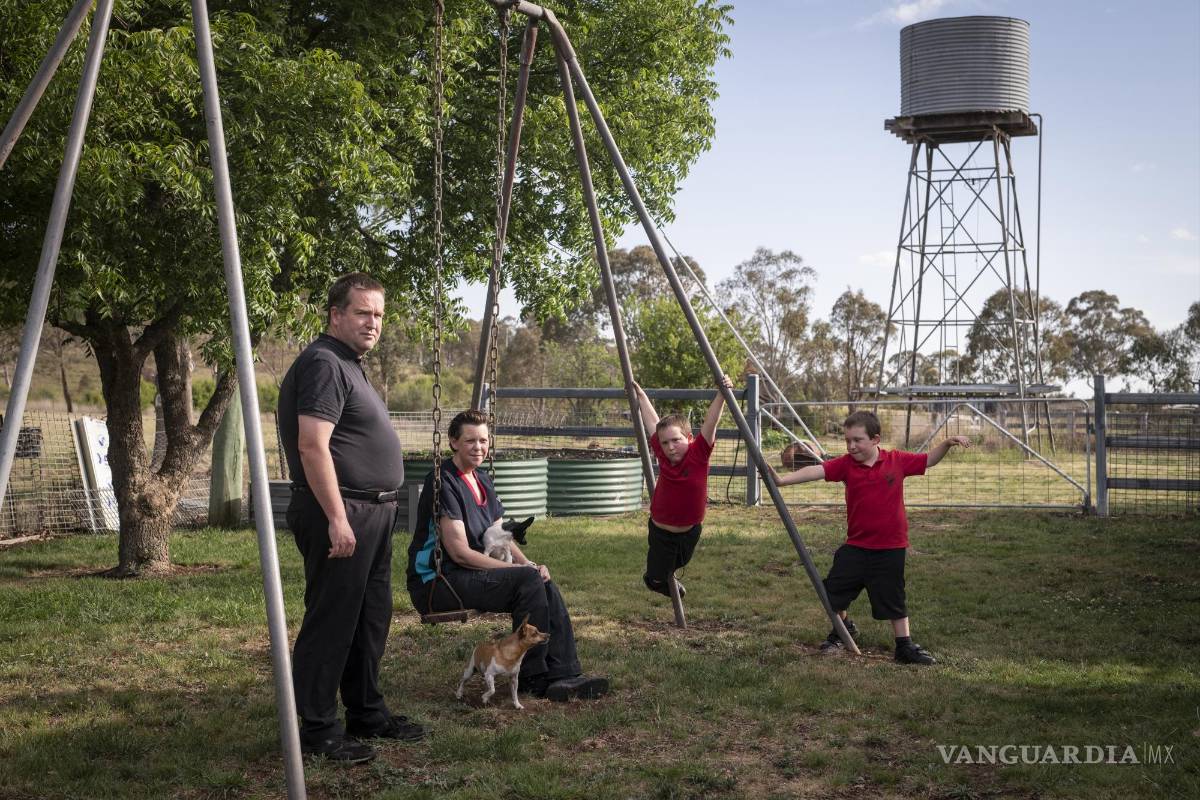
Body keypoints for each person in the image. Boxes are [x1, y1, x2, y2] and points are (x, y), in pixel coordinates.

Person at [278, 272, 425, 764]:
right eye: (363, 312)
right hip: (341, 512)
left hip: (375, 512)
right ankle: (318, 730)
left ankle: (366, 712)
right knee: (333, 621)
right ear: (335, 314)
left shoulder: (351, 364)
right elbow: (311, 445)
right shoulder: (323, 363)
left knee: (370, 619)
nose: (373, 322)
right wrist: (337, 517)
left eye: (379, 314)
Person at [406, 409, 609, 702]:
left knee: (541, 580)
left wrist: (528, 564)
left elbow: (499, 534)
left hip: (470, 575)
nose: (479, 447)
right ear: (453, 442)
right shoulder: (444, 481)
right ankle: (534, 677)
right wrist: (518, 573)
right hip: (439, 583)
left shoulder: (482, 479)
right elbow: (460, 554)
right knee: (526, 581)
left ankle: (566, 673)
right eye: (470, 441)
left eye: (484, 441)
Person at [770, 410, 971, 665]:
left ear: (875, 439)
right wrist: (781, 481)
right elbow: (816, 471)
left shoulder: (896, 460)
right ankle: (843, 630)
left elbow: (928, 459)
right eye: (848, 441)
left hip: (890, 548)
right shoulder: (845, 464)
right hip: (856, 546)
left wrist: (946, 443)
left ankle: (904, 646)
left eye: (858, 440)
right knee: (833, 593)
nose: (852, 446)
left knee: (893, 598)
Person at [632, 375, 733, 598]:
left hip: (690, 531)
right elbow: (652, 422)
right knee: (656, 576)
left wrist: (721, 394)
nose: (670, 447)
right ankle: (660, 581)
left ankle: (670, 576)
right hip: (661, 531)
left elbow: (711, 422)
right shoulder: (663, 455)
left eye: (676, 440)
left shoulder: (699, 453)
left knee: (682, 561)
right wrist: (640, 395)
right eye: (665, 442)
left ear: (689, 438)